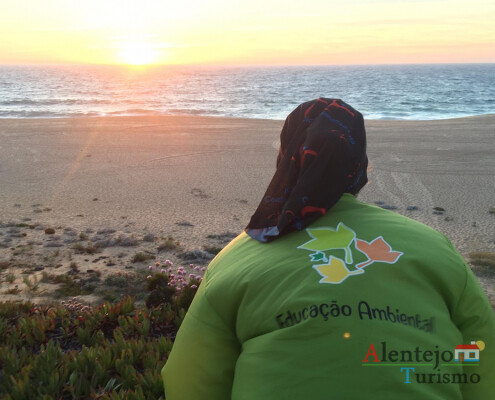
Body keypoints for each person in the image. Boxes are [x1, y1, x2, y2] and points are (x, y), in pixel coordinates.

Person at [162, 98, 495, 399]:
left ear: (286, 158)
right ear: (358, 164)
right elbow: (482, 360)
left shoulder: (235, 258)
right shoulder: (435, 246)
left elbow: (187, 383)